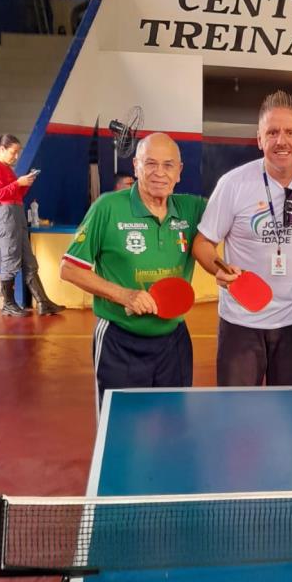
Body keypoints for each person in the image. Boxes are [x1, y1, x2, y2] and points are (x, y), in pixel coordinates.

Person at [193, 90, 292, 387]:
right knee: (236, 418)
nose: (281, 140)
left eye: (289, 132)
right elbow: (202, 243)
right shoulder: (234, 184)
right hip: (240, 324)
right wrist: (220, 269)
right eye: (272, 132)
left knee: (286, 417)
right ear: (259, 139)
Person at [60, 133, 206, 407]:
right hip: (119, 342)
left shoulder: (192, 208)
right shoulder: (108, 207)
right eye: (150, 163)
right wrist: (123, 295)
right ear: (136, 165)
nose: (159, 173)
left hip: (174, 343)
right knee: (120, 432)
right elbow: (69, 269)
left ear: (179, 171)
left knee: (173, 426)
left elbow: (238, 214)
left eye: (168, 165)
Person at [0, 134, 64, 316]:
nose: (16, 156)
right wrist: (18, 183)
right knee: (10, 259)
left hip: (16, 212)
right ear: (2, 149)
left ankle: (43, 302)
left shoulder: (5, 168)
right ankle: (8, 304)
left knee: (28, 260)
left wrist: (24, 184)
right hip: (6, 215)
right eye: (13, 152)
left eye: (18, 153)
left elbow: (15, 195)